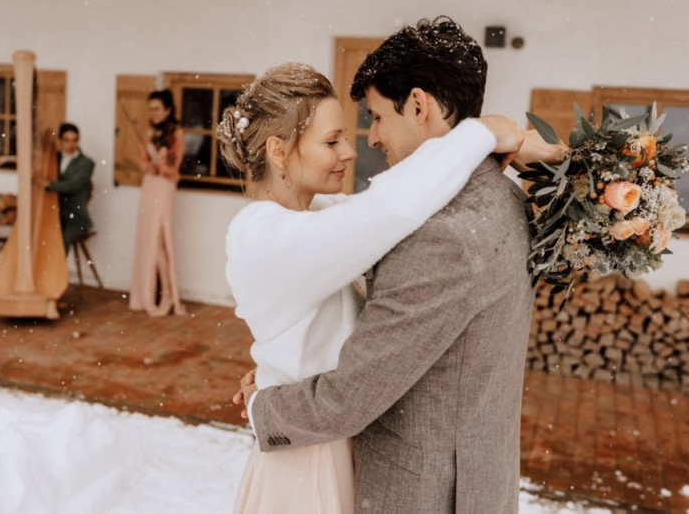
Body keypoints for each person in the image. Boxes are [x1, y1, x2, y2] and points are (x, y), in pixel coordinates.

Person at [219, 51, 557, 511]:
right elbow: (391, 209)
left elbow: (394, 206)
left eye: (366, 124)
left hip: (337, 441)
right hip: (310, 458)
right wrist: (479, 135)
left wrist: (503, 151)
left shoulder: (317, 215)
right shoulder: (260, 237)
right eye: (332, 141)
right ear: (279, 151)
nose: (353, 149)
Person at [128, 90, 187, 317]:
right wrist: (148, 166)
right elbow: (142, 161)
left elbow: (174, 165)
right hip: (149, 185)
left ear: (168, 110)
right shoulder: (149, 133)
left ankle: (168, 295)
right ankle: (150, 293)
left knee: (161, 239)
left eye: (157, 109)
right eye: (150, 109)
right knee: (149, 238)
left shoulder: (176, 135)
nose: (153, 113)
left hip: (164, 187)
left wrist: (161, 161)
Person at [45, 122, 95, 252]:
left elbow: (72, 185)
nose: (71, 145)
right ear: (60, 141)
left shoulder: (87, 163)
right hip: (55, 215)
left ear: (79, 140)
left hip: (76, 219)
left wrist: (48, 184)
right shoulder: (53, 159)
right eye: (66, 140)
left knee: (61, 239)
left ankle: (58, 265)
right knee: (44, 236)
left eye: (74, 140)